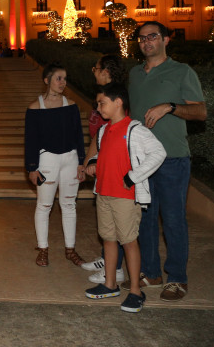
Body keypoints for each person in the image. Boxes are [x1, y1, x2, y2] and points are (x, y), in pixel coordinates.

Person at [123, 21, 206, 302]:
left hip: (172, 159)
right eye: (141, 38)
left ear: (166, 40)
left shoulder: (182, 71)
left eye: (152, 36)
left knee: (173, 220)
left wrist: (169, 107)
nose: (146, 42)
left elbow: (200, 112)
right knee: (145, 220)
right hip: (140, 161)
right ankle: (151, 273)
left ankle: (177, 278)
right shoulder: (134, 74)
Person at [84, 83, 166, 313]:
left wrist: (133, 177)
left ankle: (136, 292)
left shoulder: (135, 129)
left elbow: (158, 152)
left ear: (118, 102)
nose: (98, 108)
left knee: (129, 242)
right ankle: (110, 284)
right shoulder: (104, 130)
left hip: (125, 196)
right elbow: (104, 154)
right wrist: (93, 163)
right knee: (108, 239)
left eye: (102, 103)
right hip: (104, 194)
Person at [24, 63, 86, 268]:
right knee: (44, 205)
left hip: (70, 159)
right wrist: (32, 167)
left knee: (69, 205)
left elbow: (78, 136)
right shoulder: (35, 108)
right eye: (58, 78)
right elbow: (31, 140)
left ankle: (70, 249)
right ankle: (43, 249)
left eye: (65, 78)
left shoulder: (71, 106)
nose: (63, 82)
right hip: (47, 161)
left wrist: (81, 162)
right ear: (47, 80)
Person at [82, 54, 128, 284]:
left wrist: (89, 162)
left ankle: (115, 268)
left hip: (112, 167)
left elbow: (105, 135)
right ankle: (107, 259)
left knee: (116, 220)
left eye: (96, 68)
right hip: (101, 162)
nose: (94, 72)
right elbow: (97, 136)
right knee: (107, 220)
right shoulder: (103, 96)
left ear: (106, 72)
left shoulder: (112, 100)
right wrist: (88, 162)